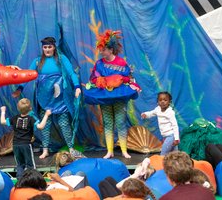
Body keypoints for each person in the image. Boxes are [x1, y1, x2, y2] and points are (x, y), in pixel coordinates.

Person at [12, 37, 82, 159]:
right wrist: (20, 89)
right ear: (42, 48)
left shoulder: (61, 59)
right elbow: (27, 75)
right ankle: (45, 149)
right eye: (45, 47)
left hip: (60, 97)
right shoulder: (38, 61)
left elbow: (71, 73)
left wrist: (77, 87)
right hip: (44, 98)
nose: (47, 49)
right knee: (45, 124)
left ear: (54, 47)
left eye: (49, 47)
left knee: (64, 123)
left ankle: (71, 148)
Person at [83, 30, 141, 159]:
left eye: (103, 49)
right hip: (105, 97)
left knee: (120, 122)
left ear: (110, 50)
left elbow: (128, 78)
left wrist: (118, 79)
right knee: (108, 123)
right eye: (101, 49)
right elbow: (93, 78)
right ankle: (109, 151)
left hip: (119, 96)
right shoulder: (99, 63)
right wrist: (100, 80)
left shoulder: (121, 62)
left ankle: (124, 150)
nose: (101, 52)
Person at [0, 98, 51, 178]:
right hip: (26, 145)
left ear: (18, 108)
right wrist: (46, 115)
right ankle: (34, 180)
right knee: (30, 165)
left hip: (16, 145)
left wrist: (3, 111)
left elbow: (2, 121)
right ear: (30, 108)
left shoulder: (15, 118)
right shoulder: (31, 119)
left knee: (20, 164)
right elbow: (41, 126)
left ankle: (20, 181)